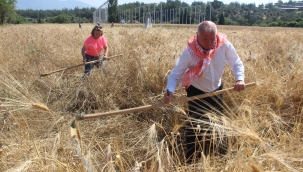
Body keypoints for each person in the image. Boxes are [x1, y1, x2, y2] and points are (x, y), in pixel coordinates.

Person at [163, 21, 245, 163]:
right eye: (205, 39)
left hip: (217, 90)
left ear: (216, 35)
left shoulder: (223, 45)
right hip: (196, 92)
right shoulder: (190, 52)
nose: (209, 43)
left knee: (218, 124)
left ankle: (217, 157)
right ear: (197, 36)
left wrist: (239, 79)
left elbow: (236, 62)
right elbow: (176, 73)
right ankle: (191, 160)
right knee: (195, 127)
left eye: (212, 39)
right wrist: (170, 90)